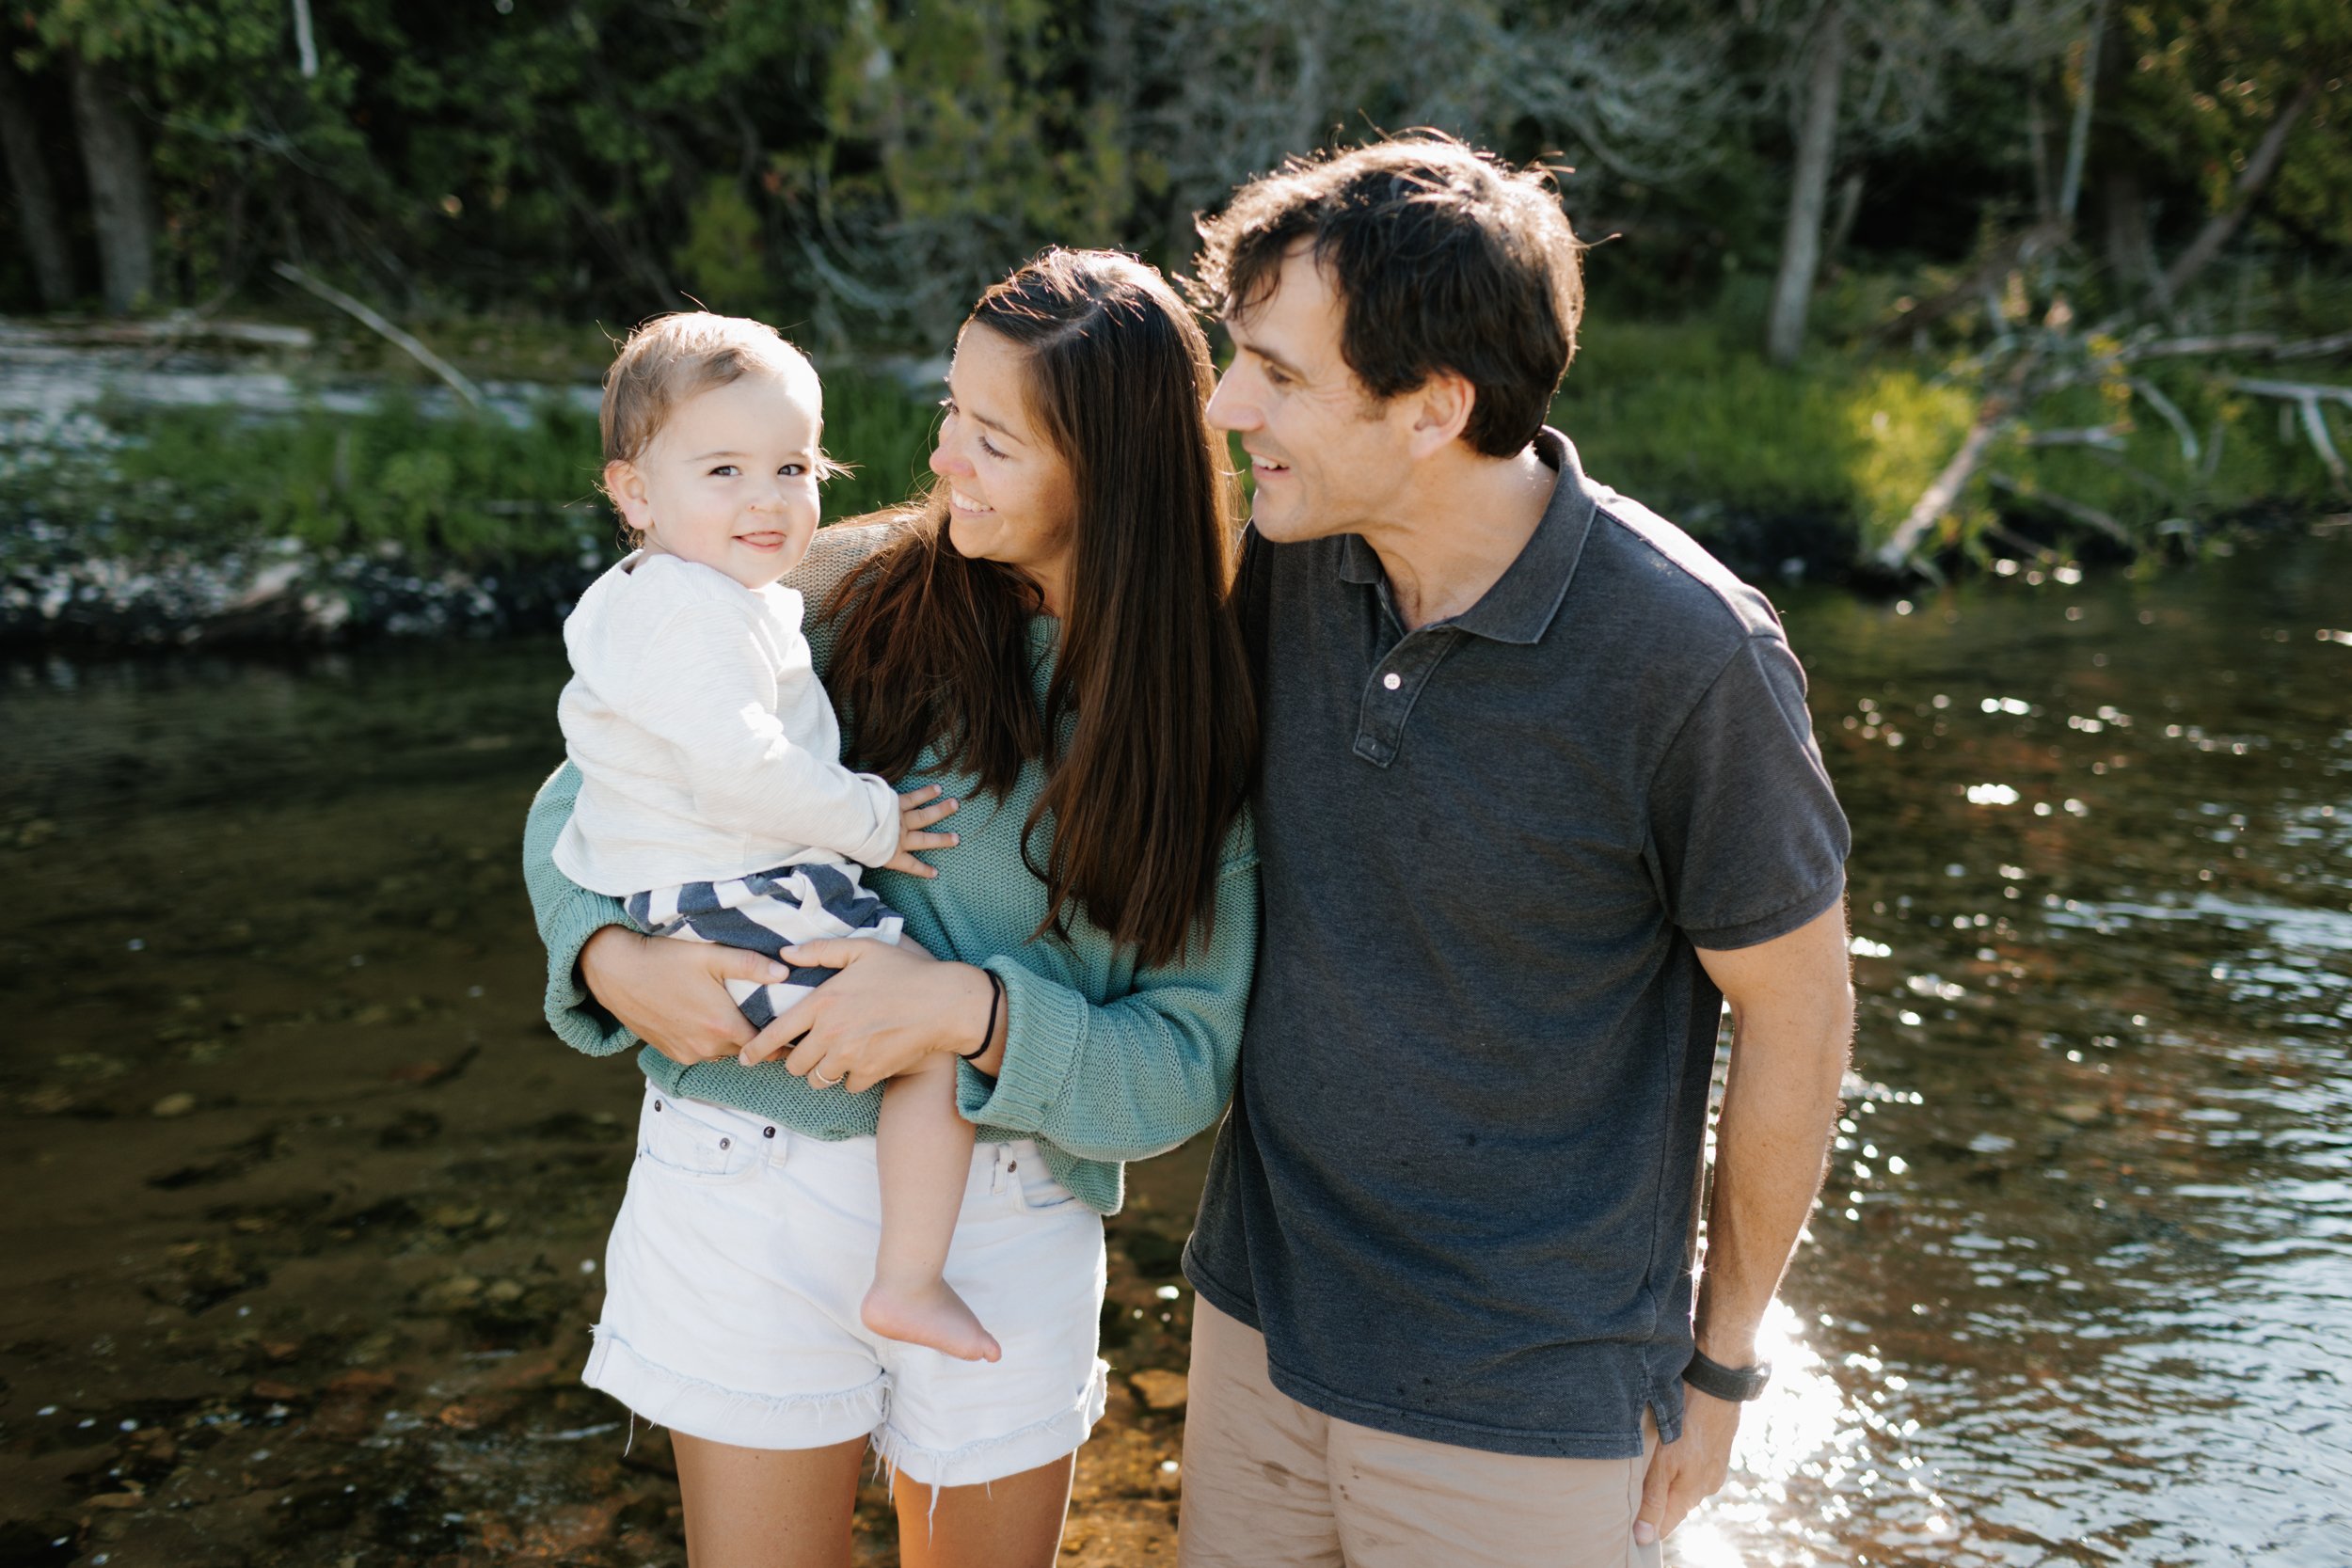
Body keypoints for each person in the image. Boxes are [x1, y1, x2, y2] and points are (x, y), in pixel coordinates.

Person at [1173, 135, 1856, 1568]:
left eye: (1281, 376)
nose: (1231, 407)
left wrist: (1724, 1365)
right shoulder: (1295, 544)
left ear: (1434, 407)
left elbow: (1797, 1017)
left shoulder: (1690, 656)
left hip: (1523, 1403)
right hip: (1257, 1323)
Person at [519, 249, 1258, 1568]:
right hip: (746, 1173)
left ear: (1113, 474)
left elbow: (1185, 1063)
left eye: (990, 439)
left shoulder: (1200, 715)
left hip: (1010, 1212)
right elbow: (588, 793)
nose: (942, 462)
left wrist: (973, 1011)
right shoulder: (838, 591)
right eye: (947, 415)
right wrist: (609, 951)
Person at [552, 310, 1003, 1364]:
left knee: (919, 1024)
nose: (768, 497)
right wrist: (874, 821)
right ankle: (909, 1280)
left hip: (706, 887)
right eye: (722, 469)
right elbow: (743, 770)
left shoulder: (703, 593)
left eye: (793, 464)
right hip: (732, 890)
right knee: (935, 1042)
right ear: (634, 492)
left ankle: (900, 1274)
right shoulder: (684, 611)